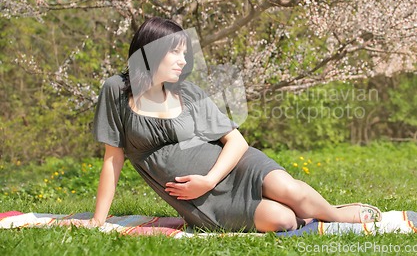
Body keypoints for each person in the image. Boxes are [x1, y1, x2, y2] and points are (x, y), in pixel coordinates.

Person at [88, 17, 381, 232]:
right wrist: (98, 220)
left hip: (232, 168)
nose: (183, 60)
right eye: (174, 52)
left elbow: (237, 141)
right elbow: (113, 159)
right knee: (284, 220)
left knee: (289, 189)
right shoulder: (117, 90)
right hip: (201, 201)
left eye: (184, 53)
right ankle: (308, 213)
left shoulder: (188, 92)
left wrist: (209, 179)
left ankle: (337, 214)